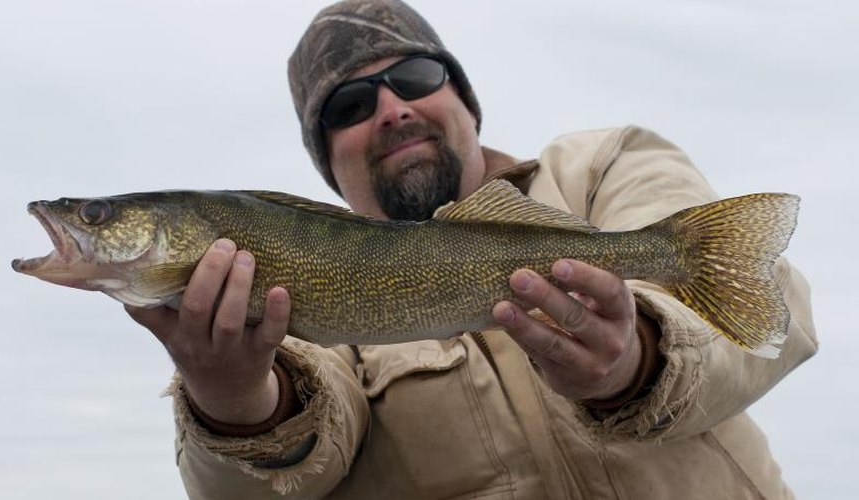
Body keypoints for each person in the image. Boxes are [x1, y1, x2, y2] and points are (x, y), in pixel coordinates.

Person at [126, 1, 818, 498]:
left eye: (417, 78)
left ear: (463, 99)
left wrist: (635, 357)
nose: (391, 109)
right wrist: (234, 399)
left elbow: (774, 316)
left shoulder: (603, 166)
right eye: (348, 106)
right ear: (324, 159)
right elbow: (269, 483)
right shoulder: (295, 281)